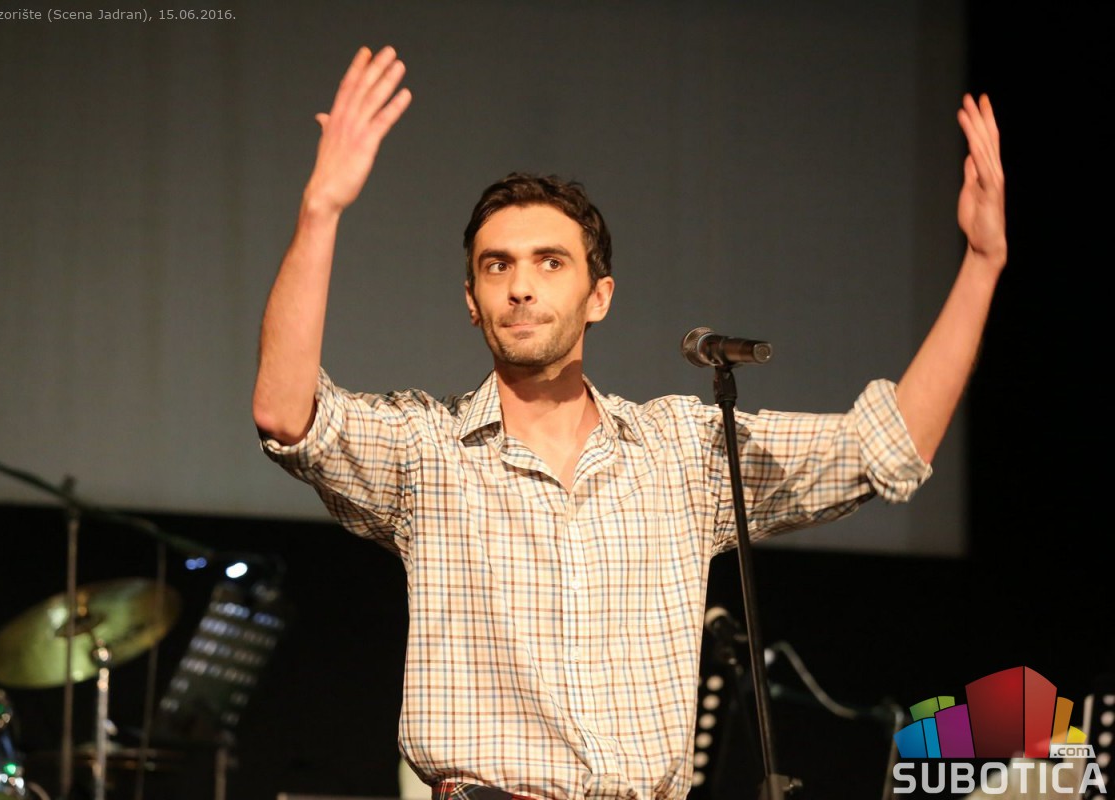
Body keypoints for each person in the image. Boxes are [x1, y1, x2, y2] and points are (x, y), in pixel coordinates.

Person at [252, 46, 1006, 800]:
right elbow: (287, 414)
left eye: (550, 262)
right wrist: (321, 209)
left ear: (600, 296)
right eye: (497, 265)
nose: (520, 286)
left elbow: (889, 444)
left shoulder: (679, 451)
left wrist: (980, 261)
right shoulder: (429, 452)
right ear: (472, 302)